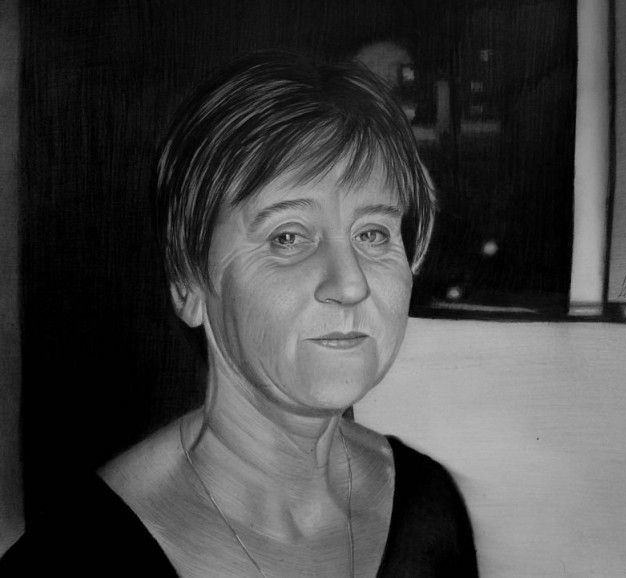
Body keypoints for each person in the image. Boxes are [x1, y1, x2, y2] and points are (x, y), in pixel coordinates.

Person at [1, 50, 478, 577]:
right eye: (287, 237)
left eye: (373, 234)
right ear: (188, 283)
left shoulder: (426, 504)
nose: (351, 283)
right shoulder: (80, 553)